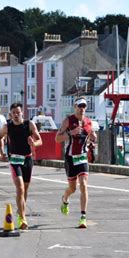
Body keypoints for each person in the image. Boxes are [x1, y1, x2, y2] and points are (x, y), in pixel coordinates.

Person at [0, 103, 42, 230]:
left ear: (22, 112)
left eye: (18, 112)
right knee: (20, 188)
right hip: (15, 159)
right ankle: (23, 218)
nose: (16, 115)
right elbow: (0, 137)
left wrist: (34, 143)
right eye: (14, 113)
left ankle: (20, 211)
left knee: (25, 190)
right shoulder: (7, 126)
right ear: (10, 115)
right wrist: (1, 152)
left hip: (27, 159)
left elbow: (40, 140)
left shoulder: (29, 124)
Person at [55, 97, 97, 229]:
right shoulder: (68, 121)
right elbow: (57, 138)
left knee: (83, 185)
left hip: (82, 158)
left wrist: (93, 138)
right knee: (72, 188)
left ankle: (83, 217)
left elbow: (92, 136)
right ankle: (65, 199)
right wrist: (70, 133)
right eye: (80, 106)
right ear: (75, 107)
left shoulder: (88, 122)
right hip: (70, 158)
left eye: (84, 106)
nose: (82, 109)